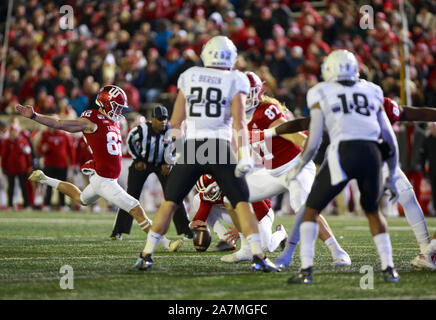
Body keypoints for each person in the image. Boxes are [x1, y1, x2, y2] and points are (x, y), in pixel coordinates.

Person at [133, 36, 280, 272]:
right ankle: (259, 257)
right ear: (230, 56)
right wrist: (243, 155)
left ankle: (146, 255)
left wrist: (176, 151)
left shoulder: (189, 76)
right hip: (219, 147)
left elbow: (176, 122)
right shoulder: (236, 78)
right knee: (242, 203)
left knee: (170, 203)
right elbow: (240, 123)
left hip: (193, 146)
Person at [264, 96, 436, 270]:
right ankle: (289, 253)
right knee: (310, 205)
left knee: (395, 198)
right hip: (347, 156)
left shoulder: (364, 97)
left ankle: (425, 250)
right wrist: (272, 132)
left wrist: (273, 133)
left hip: (364, 156)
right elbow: (306, 124)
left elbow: (406, 116)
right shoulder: (340, 96)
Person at [16, 85, 182, 252]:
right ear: (106, 103)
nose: (119, 111)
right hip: (105, 179)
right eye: (117, 107)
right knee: (136, 208)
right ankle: (166, 244)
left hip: (102, 176)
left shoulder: (113, 121)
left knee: (81, 198)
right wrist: (34, 116)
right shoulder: (91, 120)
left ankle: (44, 179)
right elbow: (60, 124)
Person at [286, 49, 400, 284]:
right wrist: (392, 174)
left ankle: (306, 270)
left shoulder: (320, 91)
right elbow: (389, 138)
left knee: (311, 209)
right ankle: (389, 269)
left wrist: (299, 166)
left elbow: (314, 140)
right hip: (372, 154)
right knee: (373, 211)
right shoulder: (372, 90)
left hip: (344, 153)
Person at [224, 71, 351, 267]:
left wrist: (306, 148)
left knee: (304, 205)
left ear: (256, 93)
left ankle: (338, 251)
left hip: (295, 167)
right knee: (231, 198)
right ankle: (247, 249)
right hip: (272, 172)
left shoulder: (266, 109)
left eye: (246, 92)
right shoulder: (236, 115)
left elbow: (290, 132)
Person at [110, 105, 192, 240]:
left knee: (175, 195)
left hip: (163, 164)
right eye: (160, 119)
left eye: (165, 119)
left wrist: (170, 162)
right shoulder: (141, 130)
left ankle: (186, 230)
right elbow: (130, 141)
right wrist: (137, 159)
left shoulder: (172, 130)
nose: (163, 122)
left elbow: (180, 148)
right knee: (130, 195)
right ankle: (118, 231)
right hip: (143, 163)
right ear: (152, 119)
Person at [190, 174, 287, 254]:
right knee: (197, 199)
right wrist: (193, 224)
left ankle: (281, 233)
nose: (207, 195)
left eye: (210, 191)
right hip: (237, 212)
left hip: (260, 215)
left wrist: (241, 227)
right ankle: (226, 240)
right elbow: (201, 216)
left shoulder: (240, 185)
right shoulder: (207, 192)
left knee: (265, 247)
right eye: (204, 192)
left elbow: (262, 210)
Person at [37, 120, 75, 211]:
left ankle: (62, 204)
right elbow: (39, 151)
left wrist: (72, 164)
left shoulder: (65, 135)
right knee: (48, 186)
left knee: (62, 186)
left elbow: (71, 150)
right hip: (49, 165)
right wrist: (43, 149)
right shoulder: (45, 135)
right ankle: (46, 204)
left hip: (62, 165)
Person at [0, 118, 33, 210]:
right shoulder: (7, 142)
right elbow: (4, 156)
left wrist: (29, 166)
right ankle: (10, 205)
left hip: (22, 168)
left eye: (15, 131)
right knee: (11, 187)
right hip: (11, 169)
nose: (13, 133)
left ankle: (26, 205)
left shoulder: (23, 141)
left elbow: (28, 155)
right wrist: (3, 167)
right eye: (12, 131)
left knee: (23, 186)